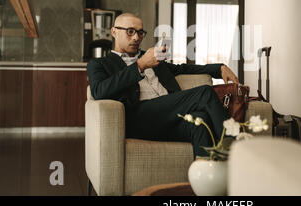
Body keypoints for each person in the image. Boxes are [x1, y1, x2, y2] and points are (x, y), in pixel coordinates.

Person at [86, 13, 239, 158]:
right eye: (130, 31)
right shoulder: (100, 64)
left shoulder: (151, 57)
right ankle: (236, 148)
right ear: (114, 31)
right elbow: (99, 91)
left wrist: (218, 68)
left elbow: (182, 69)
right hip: (139, 118)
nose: (136, 37)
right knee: (205, 93)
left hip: (168, 115)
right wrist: (139, 66)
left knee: (200, 121)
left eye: (140, 33)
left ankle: (205, 179)